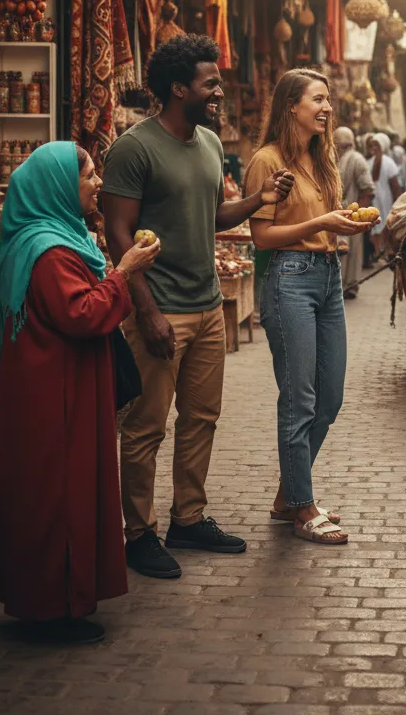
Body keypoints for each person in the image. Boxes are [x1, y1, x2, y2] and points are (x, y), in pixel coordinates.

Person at [102, 34, 295, 580]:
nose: (218, 90)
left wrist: (260, 199)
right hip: (159, 310)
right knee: (145, 428)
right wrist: (146, 310)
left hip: (209, 306)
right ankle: (137, 533)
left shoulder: (208, 143)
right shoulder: (134, 148)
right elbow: (117, 235)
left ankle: (188, 518)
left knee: (202, 419)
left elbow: (215, 216)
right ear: (177, 87)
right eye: (210, 82)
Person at [0, 142, 161, 643]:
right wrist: (124, 271)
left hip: (55, 387)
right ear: (60, 186)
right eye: (89, 175)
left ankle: (55, 600)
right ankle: (53, 608)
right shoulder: (49, 250)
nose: (97, 185)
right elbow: (83, 313)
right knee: (59, 493)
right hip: (56, 395)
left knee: (55, 489)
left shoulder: (53, 238)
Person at [245, 70, 374, 545]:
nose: (325, 107)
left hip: (328, 279)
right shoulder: (267, 161)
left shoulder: (323, 159)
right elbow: (261, 237)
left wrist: (342, 226)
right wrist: (322, 221)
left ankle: (288, 494)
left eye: (327, 100)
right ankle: (301, 507)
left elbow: (323, 224)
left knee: (330, 398)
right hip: (289, 280)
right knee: (299, 400)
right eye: (316, 99)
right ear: (290, 106)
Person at [336, 125, 375, 299]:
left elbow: (367, 190)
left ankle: (350, 285)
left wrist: (357, 214)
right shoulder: (335, 158)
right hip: (337, 213)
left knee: (352, 251)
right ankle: (339, 285)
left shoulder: (357, 159)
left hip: (353, 213)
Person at [369, 132, 402, 256]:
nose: (374, 148)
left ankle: (386, 252)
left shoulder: (389, 163)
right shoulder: (369, 162)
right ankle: (378, 252)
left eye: (377, 145)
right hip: (374, 200)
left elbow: (395, 186)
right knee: (375, 226)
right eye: (372, 145)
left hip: (387, 200)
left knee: (386, 225)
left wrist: (398, 203)